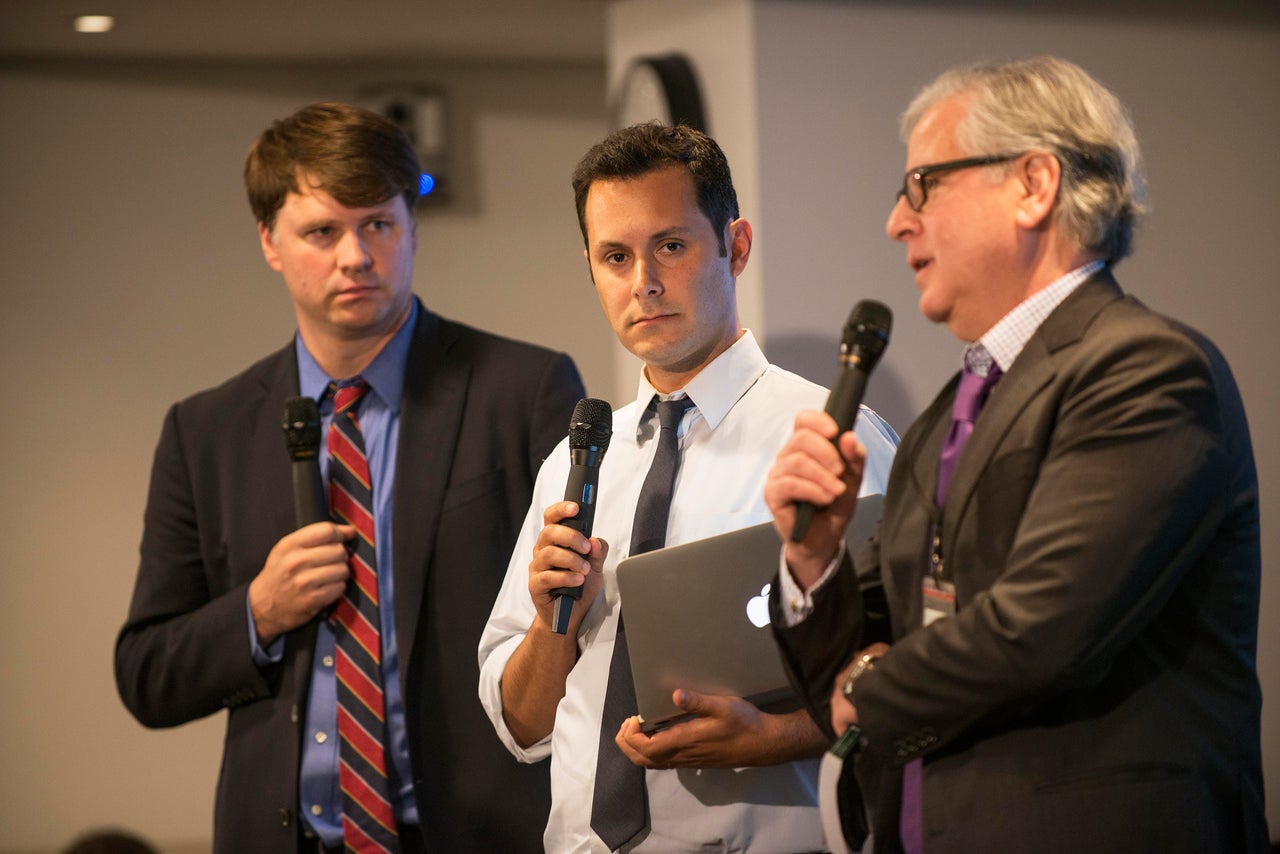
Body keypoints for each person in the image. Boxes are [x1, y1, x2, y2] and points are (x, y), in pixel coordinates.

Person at [765, 56, 1268, 853]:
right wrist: (811, 561)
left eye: (923, 183)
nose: (898, 219)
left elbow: (1040, 628)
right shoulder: (949, 410)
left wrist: (871, 681)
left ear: (1034, 185)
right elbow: (854, 650)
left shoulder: (1147, 369)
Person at [115, 102, 585, 853]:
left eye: (378, 224)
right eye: (322, 232)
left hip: (483, 834)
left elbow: (587, 619)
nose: (356, 256)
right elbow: (144, 674)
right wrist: (258, 611)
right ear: (270, 242)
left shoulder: (523, 389)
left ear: (413, 229)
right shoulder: (204, 431)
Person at [477, 122, 899, 853]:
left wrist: (773, 737)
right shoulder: (576, 464)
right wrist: (556, 627)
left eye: (670, 246)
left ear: (736, 246)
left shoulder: (833, 439)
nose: (642, 281)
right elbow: (523, 728)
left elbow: (910, 680)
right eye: (615, 256)